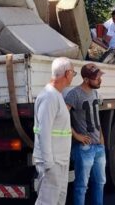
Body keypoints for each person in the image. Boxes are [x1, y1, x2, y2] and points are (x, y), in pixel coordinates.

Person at [33, 57, 76, 205]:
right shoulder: (49, 96)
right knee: (47, 202)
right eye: (73, 73)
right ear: (67, 73)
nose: (73, 76)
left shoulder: (56, 95)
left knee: (58, 201)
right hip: (53, 162)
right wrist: (49, 164)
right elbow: (43, 132)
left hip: (60, 160)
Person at [65, 63, 106, 205]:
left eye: (99, 76)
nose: (100, 80)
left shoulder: (95, 92)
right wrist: (76, 136)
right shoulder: (74, 94)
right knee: (81, 187)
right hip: (84, 148)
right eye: (96, 78)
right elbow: (61, 117)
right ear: (86, 79)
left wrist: (102, 137)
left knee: (100, 183)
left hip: (98, 147)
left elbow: (96, 117)